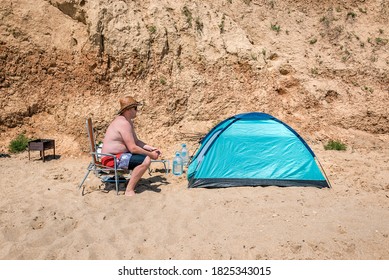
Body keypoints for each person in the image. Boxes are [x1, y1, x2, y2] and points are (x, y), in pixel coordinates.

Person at [101, 96, 161, 196]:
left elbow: (136, 141)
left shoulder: (126, 121)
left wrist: (150, 148)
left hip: (116, 156)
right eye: (135, 108)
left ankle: (128, 184)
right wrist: (151, 155)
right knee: (146, 160)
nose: (137, 111)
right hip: (111, 159)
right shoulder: (123, 123)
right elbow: (133, 148)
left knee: (143, 158)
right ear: (128, 110)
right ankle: (129, 190)